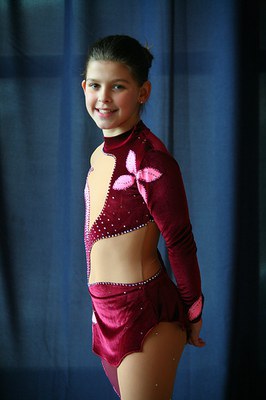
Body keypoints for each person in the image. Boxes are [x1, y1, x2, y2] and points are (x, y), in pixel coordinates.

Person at [81, 35, 205, 400]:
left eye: (118, 86)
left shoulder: (151, 162)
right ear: (84, 86)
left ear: (142, 92)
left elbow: (180, 241)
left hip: (145, 314)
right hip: (104, 312)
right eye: (95, 85)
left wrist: (193, 311)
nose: (103, 98)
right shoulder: (97, 156)